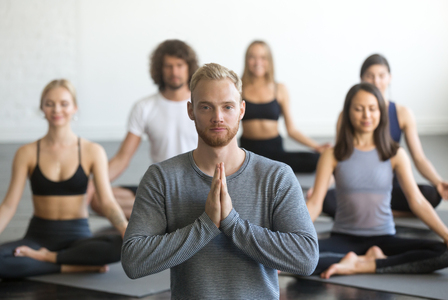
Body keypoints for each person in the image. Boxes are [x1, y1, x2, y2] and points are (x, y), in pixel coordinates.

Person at [121, 63, 319, 299]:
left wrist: (232, 224)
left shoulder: (276, 176)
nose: (218, 117)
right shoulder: (162, 178)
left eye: (227, 107)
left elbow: (306, 259)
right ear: (191, 110)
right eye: (206, 107)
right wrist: (205, 225)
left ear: (242, 110)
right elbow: (133, 261)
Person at [307, 82, 448, 279]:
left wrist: (446, 234)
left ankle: (359, 265)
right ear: (348, 112)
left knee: (444, 253)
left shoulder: (395, 154)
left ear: (381, 112)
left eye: (372, 109)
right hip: (343, 238)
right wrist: (287, 239)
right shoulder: (332, 155)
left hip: (385, 239)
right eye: (359, 109)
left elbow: (417, 201)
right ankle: (371, 261)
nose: (367, 116)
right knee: (296, 255)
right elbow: (315, 204)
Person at [0, 79, 128, 278]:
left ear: (74, 108)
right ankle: (70, 266)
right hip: (37, 237)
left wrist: (125, 229)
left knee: (121, 245)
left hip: (77, 238)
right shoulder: (26, 153)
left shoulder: (92, 151)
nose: (56, 109)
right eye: (49, 103)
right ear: (42, 108)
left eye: (64, 103)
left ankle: (48, 259)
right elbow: (9, 205)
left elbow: (107, 201)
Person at [321, 54, 448, 217]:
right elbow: (339, 158)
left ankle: (380, 213)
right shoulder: (347, 115)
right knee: (325, 199)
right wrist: (321, 187)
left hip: (390, 186)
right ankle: (381, 213)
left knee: (431, 194)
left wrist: (438, 181)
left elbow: (419, 158)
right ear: (361, 79)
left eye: (381, 76)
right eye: (370, 76)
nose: (376, 81)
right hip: (356, 187)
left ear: (390, 78)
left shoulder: (402, 113)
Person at [88, 39, 199, 218]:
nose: (174, 72)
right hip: (158, 187)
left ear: (189, 67)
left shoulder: (201, 105)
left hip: (195, 186)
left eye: (179, 65)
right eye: (168, 66)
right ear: (160, 69)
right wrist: (91, 186)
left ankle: (158, 213)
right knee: (97, 198)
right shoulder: (145, 107)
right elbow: (122, 158)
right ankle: (162, 212)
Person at [239, 40, 330, 173]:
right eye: (253, 57)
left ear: (269, 61)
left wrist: (317, 147)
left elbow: (291, 130)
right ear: (247, 60)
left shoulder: (279, 89)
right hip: (248, 153)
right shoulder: (239, 88)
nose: (258, 62)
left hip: (275, 152)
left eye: (263, 57)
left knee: (318, 159)